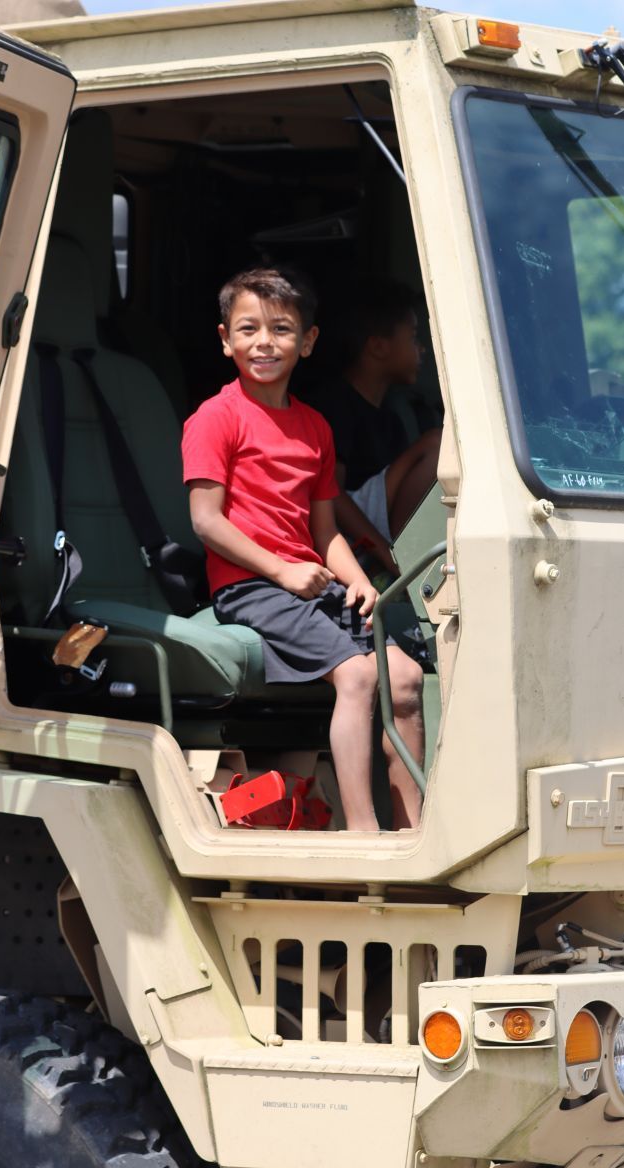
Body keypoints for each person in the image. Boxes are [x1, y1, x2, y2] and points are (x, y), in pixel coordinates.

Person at [181, 267, 424, 831]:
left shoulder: (315, 427)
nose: (264, 342)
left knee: (406, 679)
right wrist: (283, 572)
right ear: (225, 340)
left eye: (281, 329)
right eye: (248, 329)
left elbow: (325, 532)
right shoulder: (215, 419)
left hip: (308, 580)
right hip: (251, 587)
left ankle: (416, 829)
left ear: (307, 342)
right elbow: (206, 522)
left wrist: (357, 578)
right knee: (359, 677)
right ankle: (364, 831)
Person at [313, 279, 442, 575]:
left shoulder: (391, 420)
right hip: (343, 529)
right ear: (378, 346)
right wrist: (386, 554)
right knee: (437, 444)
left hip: (375, 521)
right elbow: (331, 492)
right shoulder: (335, 405)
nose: (420, 349)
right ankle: (407, 559)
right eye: (412, 337)